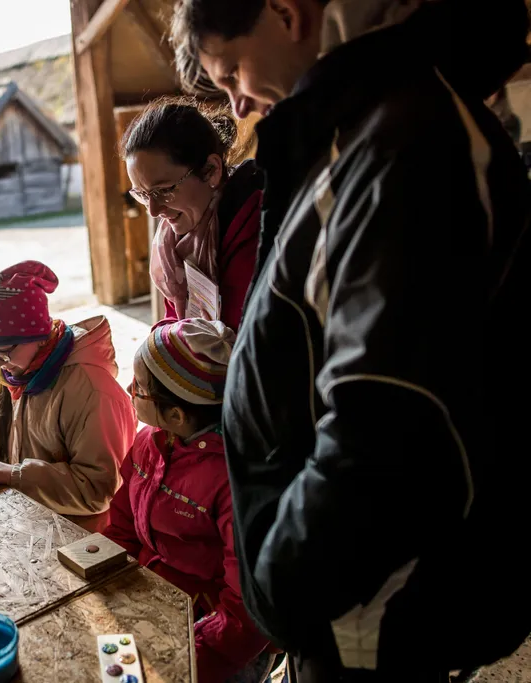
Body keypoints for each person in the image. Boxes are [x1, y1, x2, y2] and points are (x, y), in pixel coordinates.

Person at [171, 0, 531, 679]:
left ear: (285, 11)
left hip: (370, 603)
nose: (239, 103)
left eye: (232, 73)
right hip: (345, 602)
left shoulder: (411, 141)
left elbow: (391, 417)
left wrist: (285, 584)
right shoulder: (357, 135)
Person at [103, 318, 270, 683]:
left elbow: (247, 606)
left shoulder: (233, 480)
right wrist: (102, 583)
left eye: (140, 388)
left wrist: (193, 661)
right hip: (154, 602)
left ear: (177, 414)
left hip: (217, 638)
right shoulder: (150, 442)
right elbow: (121, 524)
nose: (130, 389)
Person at [0, 261, 137, 531]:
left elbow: (97, 491)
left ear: (37, 334)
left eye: (2, 351)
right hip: (33, 521)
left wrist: (14, 474)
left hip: (79, 536)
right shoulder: (22, 369)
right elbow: (27, 440)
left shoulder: (93, 392)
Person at [123, 97, 262, 332]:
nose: (154, 211)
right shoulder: (171, 243)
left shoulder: (255, 228)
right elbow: (175, 321)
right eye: (143, 195)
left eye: (164, 191)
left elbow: (240, 335)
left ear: (211, 171)